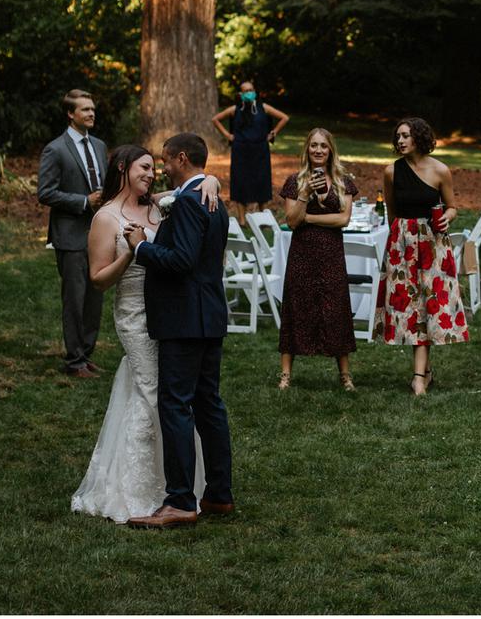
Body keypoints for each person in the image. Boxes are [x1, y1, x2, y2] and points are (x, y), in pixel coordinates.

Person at [72, 146, 219, 522]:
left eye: (155, 168)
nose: (152, 174)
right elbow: (97, 280)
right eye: (144, 168)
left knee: (165, 394)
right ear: (123, 168)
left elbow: (194, 185)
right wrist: (132, 253)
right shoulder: (105, 218)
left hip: (170, 314)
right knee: (156, 391)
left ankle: (180, 489)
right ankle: (150, 489)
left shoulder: (159, 206)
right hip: (136, 315)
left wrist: (213, 181)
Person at [125, 133, 235, 529]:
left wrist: (140, 247)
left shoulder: (190, 201)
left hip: (183, 319)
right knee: (209, 405)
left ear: (182, 158)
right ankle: (219, 495)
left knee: (175, 405)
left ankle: (180, 501)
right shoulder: (212, 200)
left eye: (165, 161)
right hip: (208, 317)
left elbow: (181, 260)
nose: (161, 169)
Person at [375, 118, 468, 395]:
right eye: (398, 136)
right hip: (402, 246)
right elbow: (392, 213)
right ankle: (422, 373)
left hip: (433, 246)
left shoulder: (440, 171)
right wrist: (400, 239)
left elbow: (452, 207)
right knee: (410, 309)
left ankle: (419, 376)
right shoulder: (391, 172)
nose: (400, 141)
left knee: (429, 307)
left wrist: (446, 219)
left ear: (419, 137)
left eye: (406, 136)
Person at [277, 128, 359, 391]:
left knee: (336, 309)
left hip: (332, 254)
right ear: (307, 149)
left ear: (331, 149)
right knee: (295, 307)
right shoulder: (294, 181)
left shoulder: (343, 181)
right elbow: (291, 221)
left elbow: (343, 219)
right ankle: (286, 375)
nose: (319, 150)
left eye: (323, 145)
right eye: (314, 145)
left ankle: (345, 375)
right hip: (302, 254)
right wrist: (304, 195)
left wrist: (308, 219)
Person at [37, 89, 109, 379]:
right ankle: (74, 361)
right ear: (71, 114)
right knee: (75, 300)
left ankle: (86, 355)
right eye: (85, 110)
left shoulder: (100, 146)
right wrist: (83, 202)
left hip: (99, 234)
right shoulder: (55, 149)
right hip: (70, 235)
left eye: (92, 109)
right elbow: (45, 193)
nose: (91, 113)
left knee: (95, 299)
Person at [211, 80, 289, 224]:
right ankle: (242, 219)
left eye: (251, 90)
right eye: (246, 91)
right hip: (240, 150)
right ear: (240, 94)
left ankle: (263, 218)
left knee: (262, 181)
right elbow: (215, 119)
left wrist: (273, 132)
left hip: (260, 150)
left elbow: (284, 117)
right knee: (240, 181)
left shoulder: (263, 107)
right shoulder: (235, 109)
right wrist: (228, 135)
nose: (249, 93)